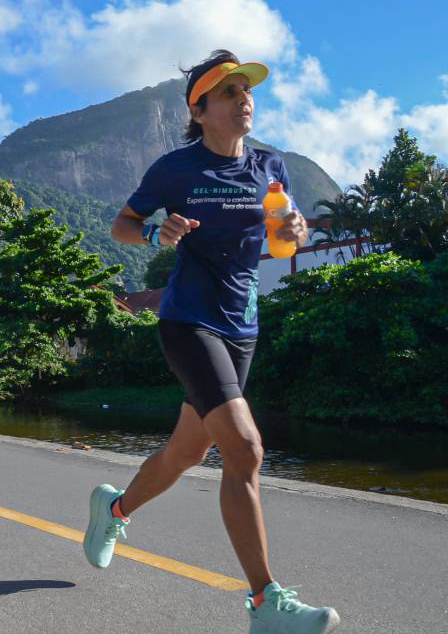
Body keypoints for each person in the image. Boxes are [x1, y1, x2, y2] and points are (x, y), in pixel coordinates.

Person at [83, 50, 339, 633]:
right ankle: (265, 603)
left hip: (242, 326)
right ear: (199, 111)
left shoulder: (271, 165)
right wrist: (156, 229)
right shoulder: (177, 168)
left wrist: (294, 230)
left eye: (246, 89)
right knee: (245, 450)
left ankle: (113, 509)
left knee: (188, 452)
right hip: (188, 320)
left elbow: (281, 242)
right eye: (228, 92)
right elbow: (122, 225)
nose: (244, 98)